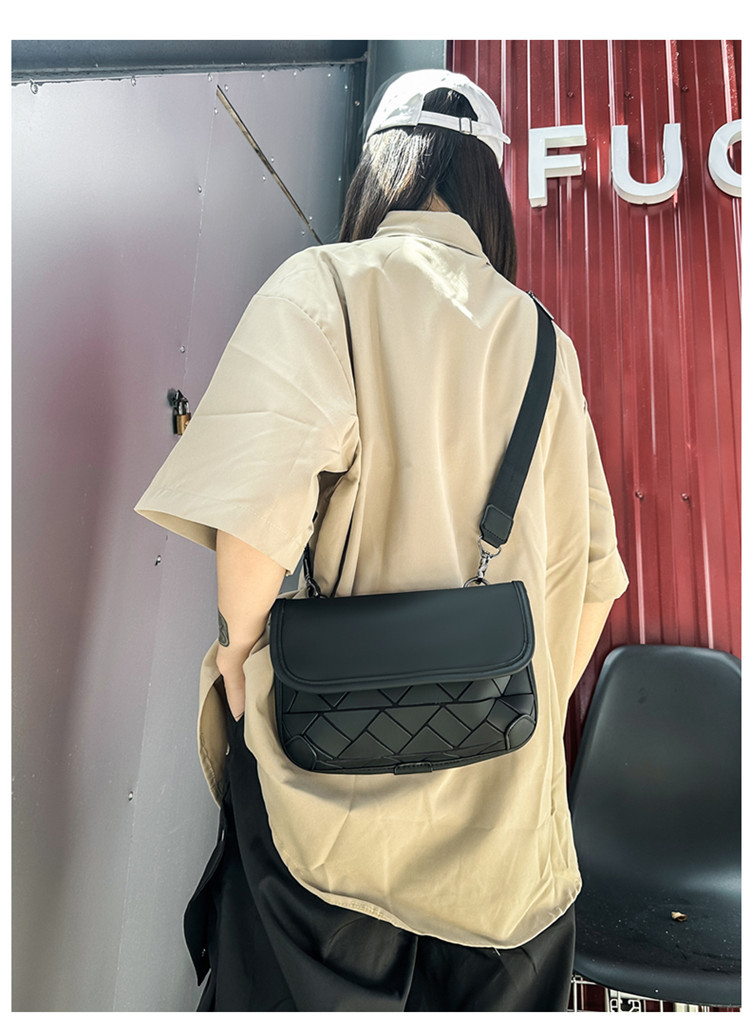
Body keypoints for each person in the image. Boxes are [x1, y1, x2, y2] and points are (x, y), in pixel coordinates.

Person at [135, 68, 628, 1011]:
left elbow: (252, 522)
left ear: (377, 172)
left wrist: (237, 653)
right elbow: (597, 580)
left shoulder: (325, 283)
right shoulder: (546, 342)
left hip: (331, 816)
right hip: (507, 857)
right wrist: (505, 709)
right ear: (487, 192)